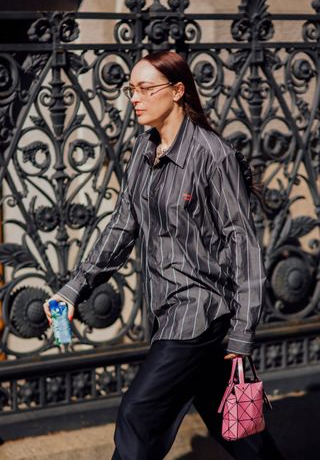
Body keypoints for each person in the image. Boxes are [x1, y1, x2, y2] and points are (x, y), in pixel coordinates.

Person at [43, 51, 280, 460]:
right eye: (131, 89)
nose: (135, 98)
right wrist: (72, 290)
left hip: (200, 314)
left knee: (138, 414)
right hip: (167, 311)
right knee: (237, 427)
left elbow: (243, 242)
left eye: (146, 89)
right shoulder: (143, 148)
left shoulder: (211, 154)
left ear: (176, 91)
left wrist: (242, 332)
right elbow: (122, 227)